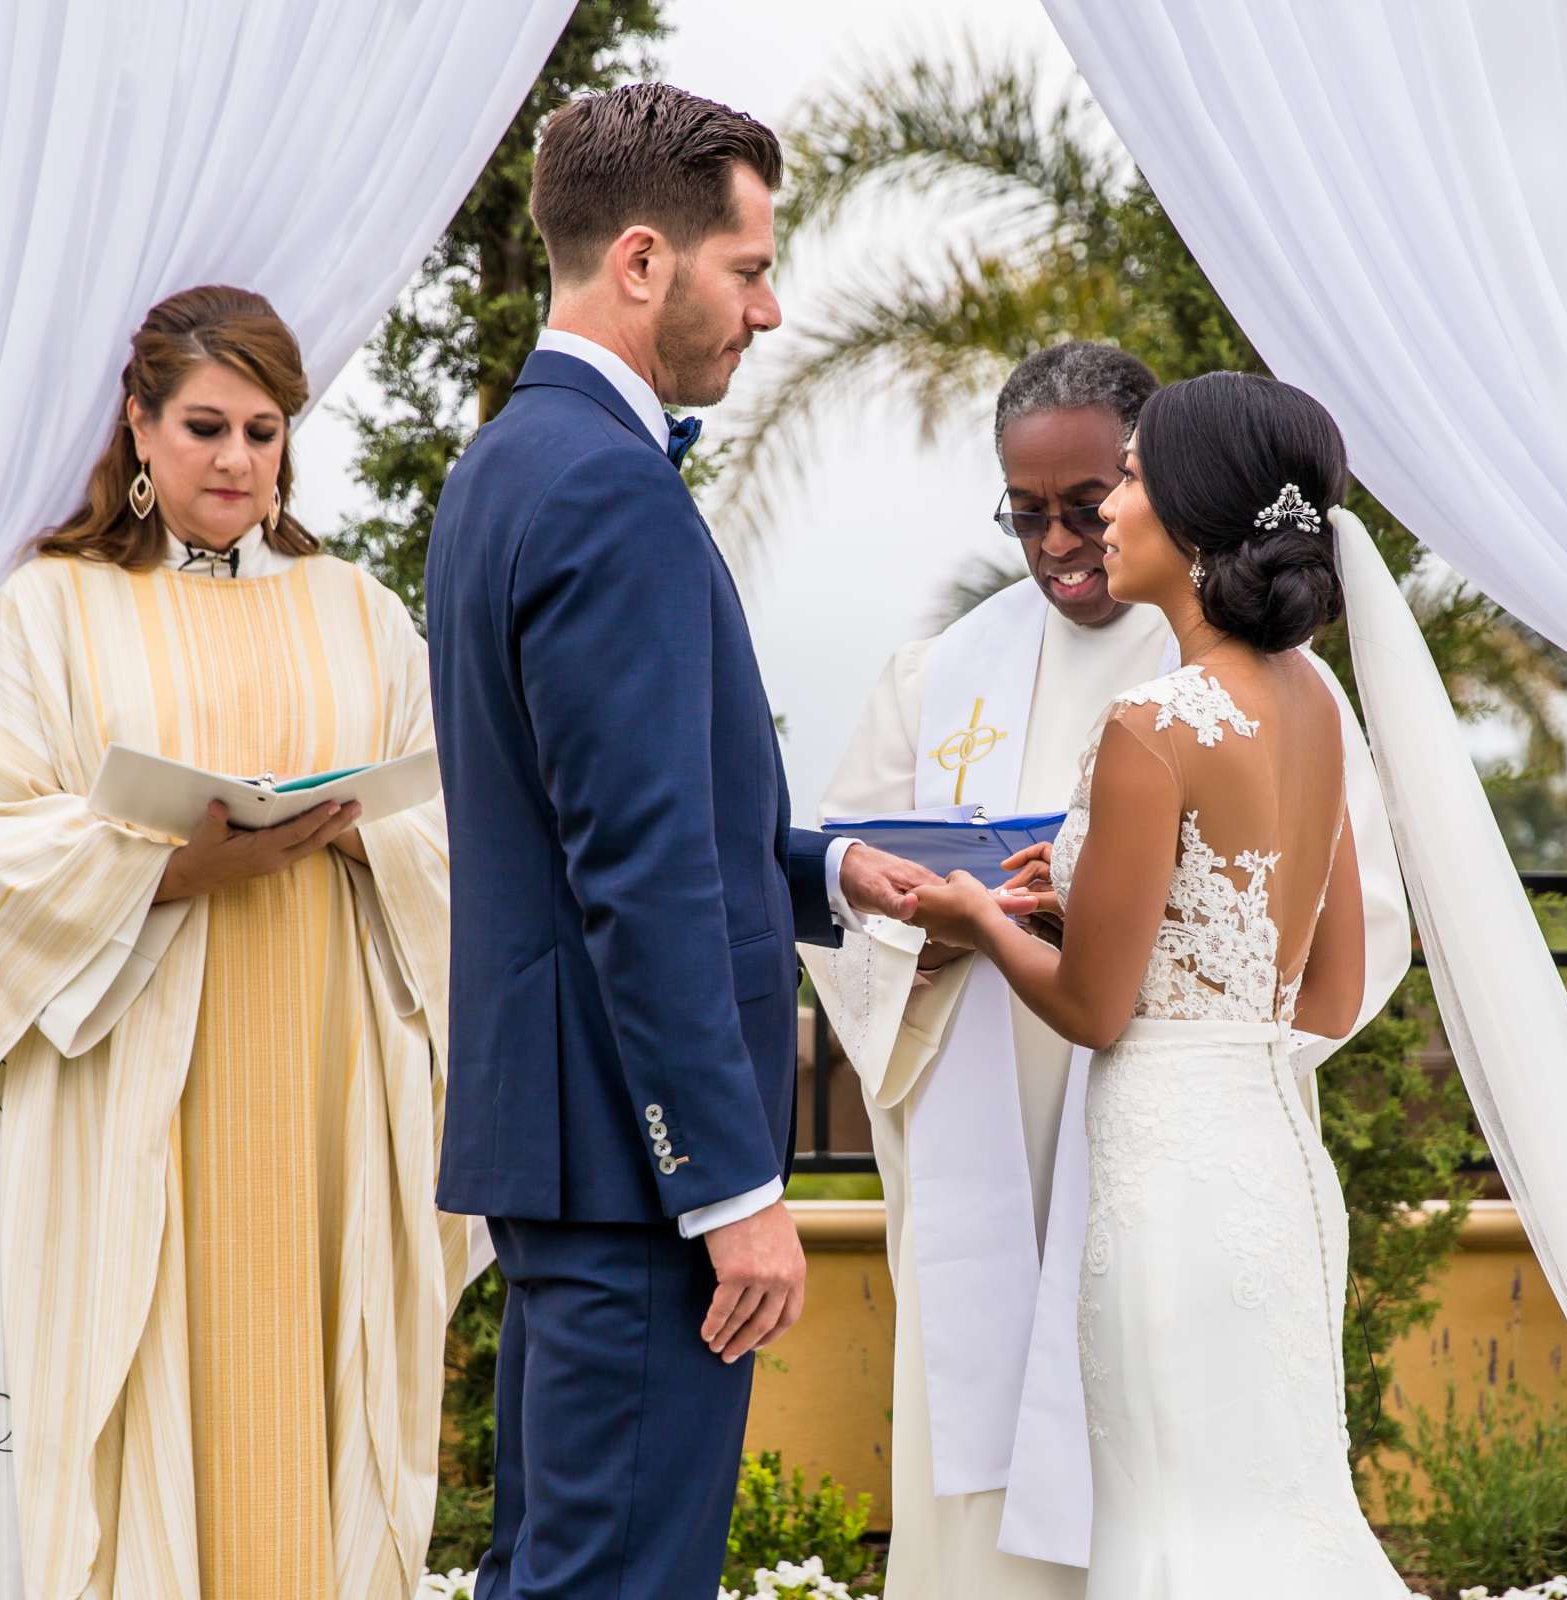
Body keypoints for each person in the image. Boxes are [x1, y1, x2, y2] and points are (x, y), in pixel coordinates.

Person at [424, 84, 942, 1600]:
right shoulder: (609, 490)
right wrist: (730, 1191)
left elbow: (604, 818)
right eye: (751, 267)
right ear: (643, 262)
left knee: (557, 1573)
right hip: (641, 1180)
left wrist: (826, 871)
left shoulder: (509, 466)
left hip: (569, 1153)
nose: (771, 309)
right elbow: (632, 872)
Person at [0, 286, 470, 1597]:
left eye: (264, 432)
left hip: (323, 1074)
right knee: (134, 1394)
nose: (235, 461)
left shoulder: (358, 612)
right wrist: (165, 869)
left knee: (313, 1404)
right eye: (205, 426)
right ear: (140, 428)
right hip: (126, 1076)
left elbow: (447, 815)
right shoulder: (52, 611)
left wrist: (352, 829)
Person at [807, 348, 1407, 1592]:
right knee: (1271, 1508)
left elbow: (1095, 1007)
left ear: (1179, 502)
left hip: (1147, 1169)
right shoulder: (1310, 702)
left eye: (1108, 491)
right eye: (1028, 513)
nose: (1076, 533)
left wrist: (982, 912)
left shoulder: (1161, 719)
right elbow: (1329, 993)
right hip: (1263, 1167)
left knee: (1163, 1528)